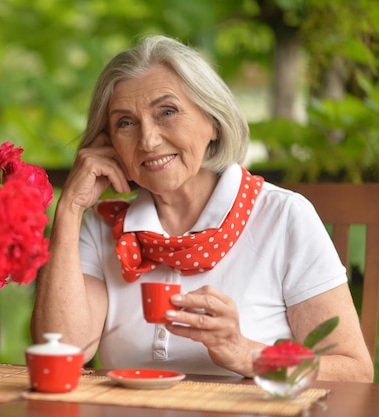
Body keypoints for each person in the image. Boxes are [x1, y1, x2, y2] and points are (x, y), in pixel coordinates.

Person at [30, 35, 374, 381]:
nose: (148, 140)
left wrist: (246, 354)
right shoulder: (101, 226)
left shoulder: (284, 216)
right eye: (125, 123)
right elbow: (63, 350)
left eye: (167, 112)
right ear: (109, 144)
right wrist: (70, 209)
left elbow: (353, 371)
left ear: (213, 121)